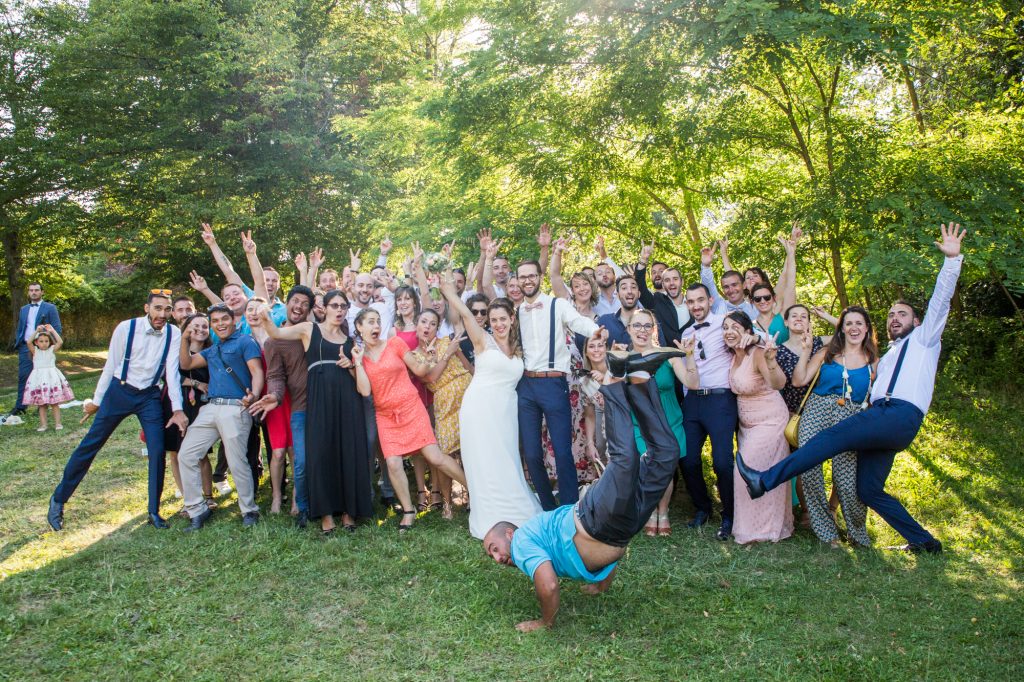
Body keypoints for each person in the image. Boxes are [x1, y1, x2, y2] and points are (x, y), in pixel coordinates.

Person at [737, 223, 967, 554]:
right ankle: (924, 541)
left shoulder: (925, 340)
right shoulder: (885, 357)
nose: (894, 318)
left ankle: (764, 479)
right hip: (884, 421)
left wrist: (952, 261)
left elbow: (940, 301)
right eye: (890, 315)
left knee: (830, 439)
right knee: (869, 489)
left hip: (898, 415)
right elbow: (847, 341)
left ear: (917, 321)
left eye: (901, 314)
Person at [482, 353, 683, 632]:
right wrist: (601, 584)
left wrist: (544, 622)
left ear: (509, 534)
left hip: (596, 518)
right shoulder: (539, 542)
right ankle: (641, 380)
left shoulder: (522, 543)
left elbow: (549, 584)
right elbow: (602, 556)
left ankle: (613, 380)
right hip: (623, 525)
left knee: (626, 460)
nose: (498, 558)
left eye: (494, 548)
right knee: (666, 455)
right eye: (492, 556)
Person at [47, 291, 188, 531]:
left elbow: (172, 374)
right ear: (147, 308)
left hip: (149, 396)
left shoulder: (174, 334)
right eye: (158, 309)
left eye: (167, 310)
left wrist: (177, 409)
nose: (162, 314)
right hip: (119, 391)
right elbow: (110, 365)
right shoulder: (126, 328)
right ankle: (58, 500)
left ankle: (153, 511)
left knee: (157, 450)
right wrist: (97, 401)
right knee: (90, 445)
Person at [255, 289, 372, 534]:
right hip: (318, 400)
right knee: (321, 455)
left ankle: (349, 512)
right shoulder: (310, 330)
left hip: (347, 400)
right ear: (324, 307)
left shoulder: (350, 339)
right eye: (334, 305)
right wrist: (264, 316)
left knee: (346, 453)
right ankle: (326, 514)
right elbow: (276, 333)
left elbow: (359, 377)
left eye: (343, 306)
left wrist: (351, 364)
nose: (339, 310)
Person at [438, 274, 543, 537]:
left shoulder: (520, 346)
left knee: (506, 459)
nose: (497, 324)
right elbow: (465, 313)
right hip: (480, 408)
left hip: (506, 411)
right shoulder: (483, 340)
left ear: (511, 319)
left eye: (502, 319)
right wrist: (449, 291)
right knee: (484, 460)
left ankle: (516, 511)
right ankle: (490, 516)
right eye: (493, 320)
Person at [351, 308, 468, 531]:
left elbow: (418, 369)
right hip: (386, 415)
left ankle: (473, 490)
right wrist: (357, 362)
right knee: (393, 463)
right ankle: (408, 510)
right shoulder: (359, 356)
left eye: (378, 321)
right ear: (359, 327)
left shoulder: (394, 344)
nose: (376, 326)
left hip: (411, 408)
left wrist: (431, 358)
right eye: (370, 322)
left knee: (434, 456)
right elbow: (365, 391)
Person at [516, 259, 604, 511]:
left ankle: (568, 507)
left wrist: (597, 331)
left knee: (563, 450)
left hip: (554, 383)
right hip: (526, 386)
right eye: (523, 277)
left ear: (539, 276)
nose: (527, 280)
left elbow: (579, 322)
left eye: (532, 275)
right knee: (532, 454)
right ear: (518, 280)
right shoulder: (517, 310)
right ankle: (546, 506)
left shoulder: (558, 304)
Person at [790, 307, 879, 547]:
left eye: (859, 323)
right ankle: (827, 533)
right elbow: (799, 380)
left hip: (850, 418)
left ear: (867, 328)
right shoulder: (827, 353)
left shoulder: (874, 361)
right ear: (841, 328)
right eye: (848, 323)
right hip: (817, 412)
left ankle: (858, 534)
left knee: (847, 480)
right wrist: (807, 352)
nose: (853, 328)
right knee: (809, 472)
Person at [176, 303, 264, 531]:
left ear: (233, 320)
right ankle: (197, 509)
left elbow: (257, 372)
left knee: (236, 462)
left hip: (236, 407)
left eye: (224, 319)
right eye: (215, 321)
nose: (220, 324)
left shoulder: (245, 342)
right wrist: (185, 338)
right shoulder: (212, 349)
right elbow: (186, 364)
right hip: (210, 408)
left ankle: (249, 509)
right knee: (186, 454)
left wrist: (253, 396)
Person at [723, 312, 793, 545]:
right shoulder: (734, 356)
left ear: (747, 332)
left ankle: (763, 529)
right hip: (746, 426)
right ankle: (749, 527)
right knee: (756, 472)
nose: (729, 331)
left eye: (735, 327)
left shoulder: (758, 353)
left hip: (770, 421)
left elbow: (778, 383)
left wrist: (771, 360)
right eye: (725, 328)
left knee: (747, 471)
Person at [248, 286, 315, 527]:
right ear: (285, 304)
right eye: (294, 301)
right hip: (295, 404)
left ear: (310, 309)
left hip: (320, 404)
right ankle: (290, 498)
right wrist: (274, 396)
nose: (298, 306)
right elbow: (275, 375)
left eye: (304, 303)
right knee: (294, 456)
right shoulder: (274, 340)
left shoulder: (315, 333)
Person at [678, 283, 739, 540]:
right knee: (687, 458)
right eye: (691, 302)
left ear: (710, 300)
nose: (696, 306)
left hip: (720, 400)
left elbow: (748, 336)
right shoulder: (685, 333)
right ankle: (703, 508)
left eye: (700, 300)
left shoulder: (725, 324)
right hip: (693, 401)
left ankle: (729, 515)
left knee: (723, 462)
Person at [413, 309, 473, 520]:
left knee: (472, 450)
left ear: (437, 328)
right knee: (445, 452)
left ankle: (474, 499)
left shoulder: (449, 340)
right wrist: (448, 353)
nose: (427, 326)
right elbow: (431, 378)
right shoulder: (414, 355)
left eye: (432, 323)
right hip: (444, 402)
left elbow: (468, 367)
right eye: (424, 322)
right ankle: (447, 504)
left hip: (467, 395)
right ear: (417, 325)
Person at [244, 297, 295, 516]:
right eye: (250, 309)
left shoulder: (279, 334)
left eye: (258, 309)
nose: (254, 313)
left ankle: (296, 498)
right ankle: (276, 496)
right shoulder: (244, 341)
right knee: (277, 452)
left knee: (294, 451)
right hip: (265, 401)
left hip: (286, 397)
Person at [165, 313, 215, 510]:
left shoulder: (212, 352)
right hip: (177, 404)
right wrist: (196, 383)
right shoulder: (174, 350)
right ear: (186, 327)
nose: (201, 330)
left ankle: (208, 495)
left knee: (200, 453)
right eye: (196, 326)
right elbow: (168, 375)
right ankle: (188, 499)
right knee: (176, 453)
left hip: (200, 406)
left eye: (205, 326)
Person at [13, 283, 62, 416]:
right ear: (28, 292)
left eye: (36, 290)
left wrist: (49, 344)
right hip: (26, 346)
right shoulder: (24, 309)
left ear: (42, 292)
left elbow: (56, 328)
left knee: (44, 376)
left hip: (43, 347)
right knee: (24, 376)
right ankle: (20, 407)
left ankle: (42, 406)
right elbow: (21, 327)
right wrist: (19, 340)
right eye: (31, 290)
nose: (33, 292)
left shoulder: (50, 308)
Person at [636, 243, 692, 346]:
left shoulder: (693, 302)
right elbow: (640, 285)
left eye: (675, 279)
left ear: (682, 281)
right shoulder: (657, 301)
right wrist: (643, 260)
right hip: (669, 359)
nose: (671, 283)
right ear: (663, 284)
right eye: (667, 280)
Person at [23, 325, 74, 431]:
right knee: (42, 404)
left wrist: (52, 331)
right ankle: (43, 425)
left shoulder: (51, 350)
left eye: (46, 341)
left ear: (49, 342)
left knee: (54, 403)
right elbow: (28, 342)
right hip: (39, 380)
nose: (44, 343)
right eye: (41, 341)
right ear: (36, 342)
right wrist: (36, 330)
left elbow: (60, 342)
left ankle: (58, 424)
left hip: (51, 379)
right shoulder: (35, 351)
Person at [597, 275, 641, 347]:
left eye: (633, 287)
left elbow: (661, 352)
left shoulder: (650, 321)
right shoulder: (604, 322)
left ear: (639, 294)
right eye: (624, 288)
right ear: (617, 295)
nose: (629, 291)